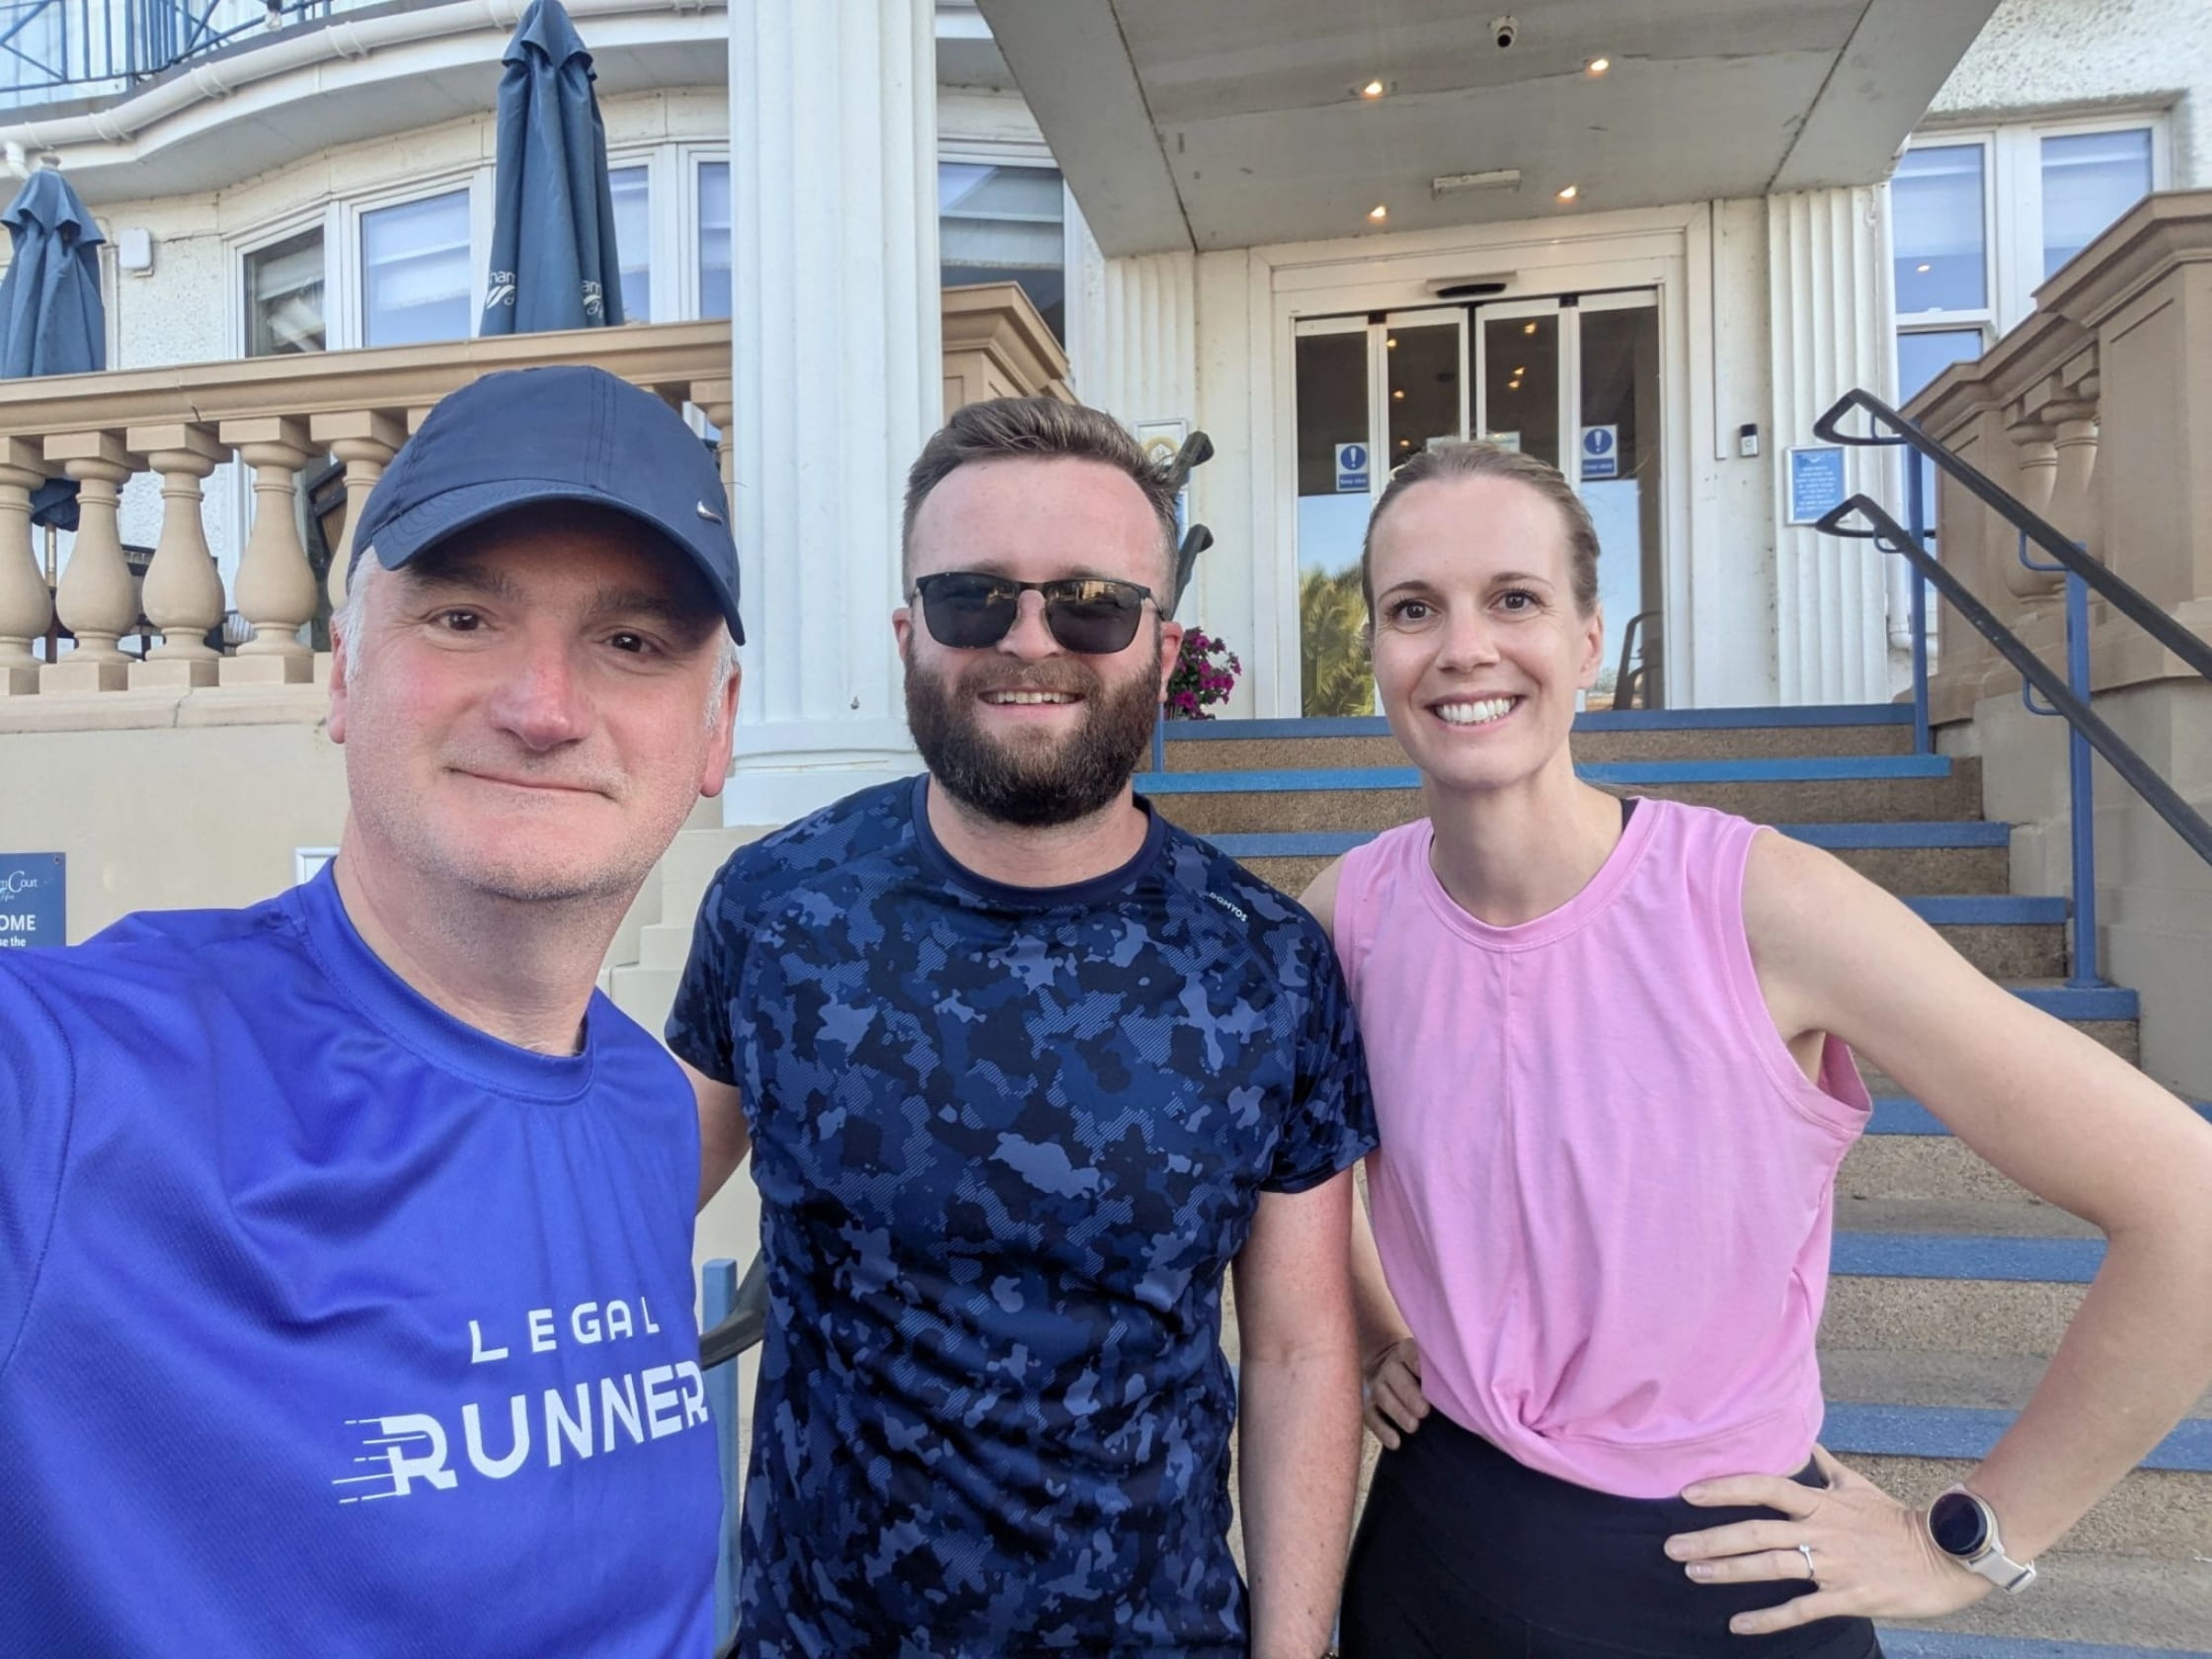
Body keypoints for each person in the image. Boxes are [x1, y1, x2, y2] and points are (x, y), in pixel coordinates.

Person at [1302, 440, 2212, 1658]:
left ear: (1583, 641)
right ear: (1378, 655)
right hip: (1437, 1556)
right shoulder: (1346, 916)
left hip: (1723, 1586)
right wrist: (1373, 1325)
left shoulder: (1761, 905)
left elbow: (2186, 1203)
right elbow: (1299, 1178)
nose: (1462, 645)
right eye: (1414, 609)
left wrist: (1972, 1543)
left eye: (1512, 598)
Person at [0, 365, 746, 1657]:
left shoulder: (641, 1104)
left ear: (718, 727)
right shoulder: (76, 1084)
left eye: (632, 643)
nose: (545, 708)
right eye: (464, 619)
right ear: (345, 677)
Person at [669, 396, 1377, 1659]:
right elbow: (619, 1201)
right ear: (907, 637)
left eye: (1091, 602)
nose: (1030, 638)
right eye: (972, 600)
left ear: (1163, 647)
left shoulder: (1266, 966)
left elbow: (1297, 1348)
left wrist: (1296, 1650)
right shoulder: (776, 911)